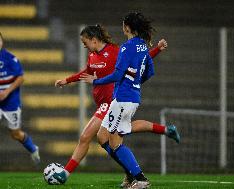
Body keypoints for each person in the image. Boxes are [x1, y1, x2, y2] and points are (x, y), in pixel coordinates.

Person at [53, 24, 180, 187]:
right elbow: (87, 72)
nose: (84, 46)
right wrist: (67, 80)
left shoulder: (114, 51)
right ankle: (163, 133)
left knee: (87, 136)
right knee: (113, 135)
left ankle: (65, 174)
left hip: (112, 102)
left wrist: (157, 49)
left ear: (93, 39)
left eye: (85, 42)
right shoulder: (93, 56)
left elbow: (139, 58)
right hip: (104, 104)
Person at [79, 12, 163, 189]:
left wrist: (96, 81)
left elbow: (117, 74)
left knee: (115, 143)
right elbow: (149, 72)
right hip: (129, 97)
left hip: (123, 98)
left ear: (127, 27)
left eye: (123, 24)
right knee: (102, 136)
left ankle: (139, 178)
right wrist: (135, 84)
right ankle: (131, 174)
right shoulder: (142, 46)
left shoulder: (127, 47)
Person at [0, 32, 40, 165]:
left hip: (11, 103)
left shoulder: (10, 58)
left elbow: (21, 77)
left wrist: (6, 92)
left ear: (2, 41)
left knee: (15, 134)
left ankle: (33, 148)